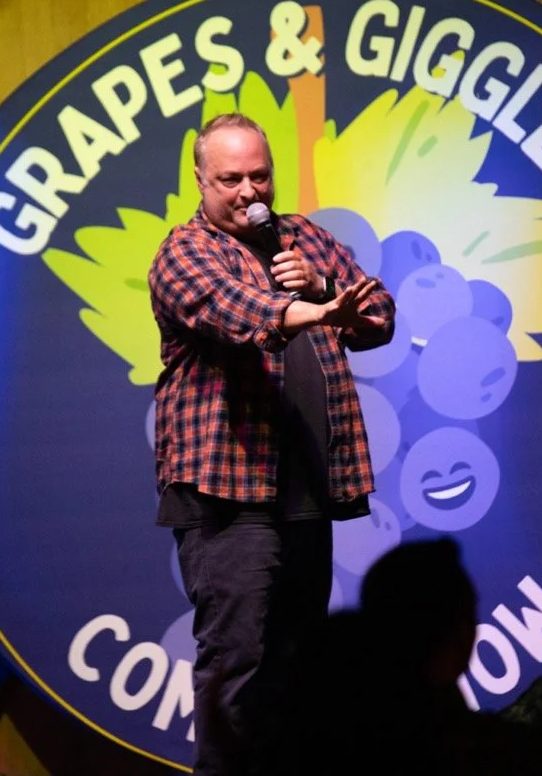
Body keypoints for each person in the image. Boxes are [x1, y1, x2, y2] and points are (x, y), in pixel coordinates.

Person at [148, 112, 396, 775]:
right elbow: (234, 311)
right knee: (238, 658)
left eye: (259, 175)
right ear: (201, 180)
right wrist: (308, 310)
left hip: (306, 485)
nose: (248, 191)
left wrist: (324, 288)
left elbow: (378, 315)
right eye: (230, 179)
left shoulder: (307, 240)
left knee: (298, 662)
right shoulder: (185, 250)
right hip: (227, 488)